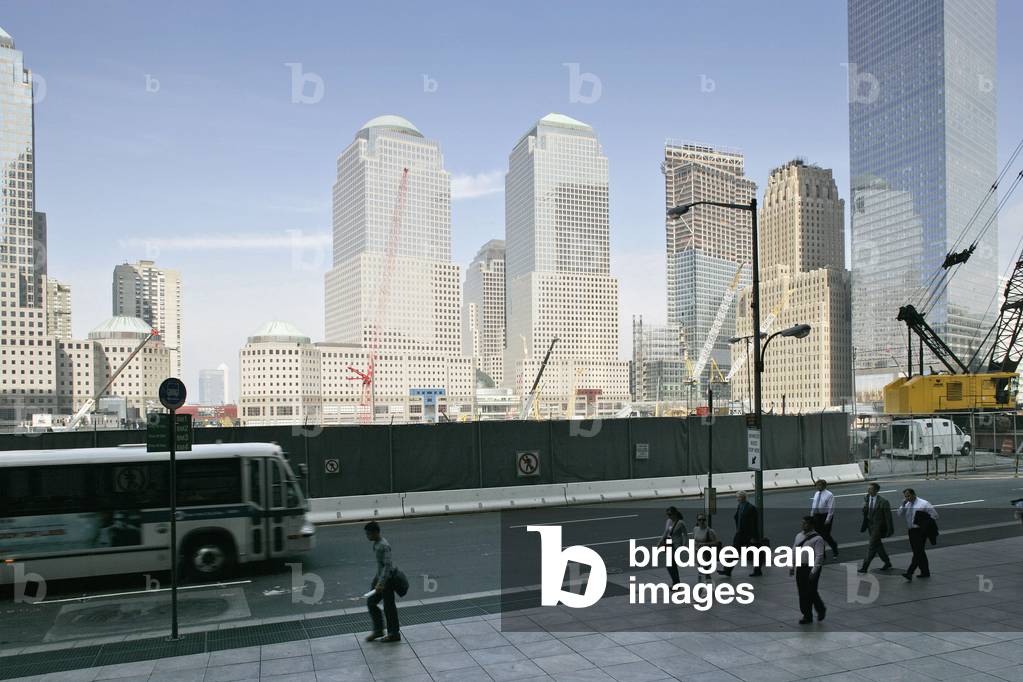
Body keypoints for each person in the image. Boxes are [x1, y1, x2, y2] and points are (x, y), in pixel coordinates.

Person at [364, 521, 401, 642]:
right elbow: (380, 566)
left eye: (369, 534)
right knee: (371, 602)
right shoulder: (376, 544)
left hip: (387, 581)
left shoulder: (384, 545)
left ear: (376, 532)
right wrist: (376, 580)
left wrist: (381, 583)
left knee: (389, 607)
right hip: (380, 579)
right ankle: (378, 630)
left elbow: (387, 566)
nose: (367, 536)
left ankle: (394, 633)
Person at [790, 516, 826, 624]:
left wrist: (814, 571)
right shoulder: (798, 536)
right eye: (802, 523)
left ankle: (821, 609)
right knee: (802, 591)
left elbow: (819, 556)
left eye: (805, 523)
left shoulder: (818, 539)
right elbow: (794, 551)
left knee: (811, 591)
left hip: (811, 567)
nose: (802, 525)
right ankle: (807, 615)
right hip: (801, 567)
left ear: (811, 525)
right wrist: (792, 566)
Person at [897, 488, 938, 581]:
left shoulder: (924, 503)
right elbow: (899, 514)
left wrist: (924, 521)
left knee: (918, 552)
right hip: (911, 531)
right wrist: (903, 505)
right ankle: (925, 572)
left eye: (908, 496)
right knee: (919, 552)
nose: (907, 498)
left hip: (920, 530)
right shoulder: (906, 504)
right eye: (905, 496)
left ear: (914, 494)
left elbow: (935, 515)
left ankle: (909, 572)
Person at [718, 491, 761, 577]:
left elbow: (753, 524)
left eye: (738, 497)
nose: (737, 499)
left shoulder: (751, 508)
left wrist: (753, 537)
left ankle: (757, 570)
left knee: (755, 553)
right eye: (737, 497)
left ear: (743, 497)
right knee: (735, 552)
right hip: (740, 534)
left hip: (748, 535)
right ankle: (727, 570)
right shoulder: (740, 506)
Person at [858, 482, 893, 573]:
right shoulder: (867, 498)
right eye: (868, 489)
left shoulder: (883, 502)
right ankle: (887, 562)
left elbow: (888, 517)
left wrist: (890, 529)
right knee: (878, 545)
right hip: (870, 525)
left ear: (876, 490)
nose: (868, 490)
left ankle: (865, 566)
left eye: (870, 489)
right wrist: (864, 507)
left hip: (878, 526)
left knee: (872, 546)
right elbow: (865, 512)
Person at [809, 479, 839, 559]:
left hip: (825, 516)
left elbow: (831, 508)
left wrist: (828, 519)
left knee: (826, 535)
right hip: (817, 516)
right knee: (818, 536)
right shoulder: (816, 493)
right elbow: (814, 505)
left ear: (824, 486)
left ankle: (834, 548)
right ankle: (822, 554)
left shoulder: (829, 495)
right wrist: (811, 516)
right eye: (817, 485)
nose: (818, 487)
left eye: (819, 485)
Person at [659, 507, 688, 586]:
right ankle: (676, 582)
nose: (668, 516)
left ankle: (676, 583)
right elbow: (665, 533)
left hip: (677, 545)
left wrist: (684, 546)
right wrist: (660, 542)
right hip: (669, 545)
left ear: (675, 514)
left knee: (671, 565)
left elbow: (685, 535)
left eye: (670, 514)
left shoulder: (681, 523)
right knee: (671, 565)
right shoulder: (668, 521)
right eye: (667, 514)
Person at [692, 513, 719, 582]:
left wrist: (704, 544)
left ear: (705, 520)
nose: (701, 521)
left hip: (706, 554)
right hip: (698, 553)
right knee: (700, 570)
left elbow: (716, 542)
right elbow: (694, 540)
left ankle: (708, 587)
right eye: (699, 519)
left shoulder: (709, 531)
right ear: (697, 521)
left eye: (703, 520)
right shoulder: (695, 529)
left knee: (705, 571)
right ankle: (701, 587)